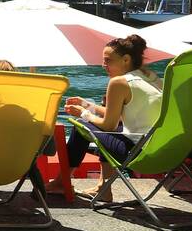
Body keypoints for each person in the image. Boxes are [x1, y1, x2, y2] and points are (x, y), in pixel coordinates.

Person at [63, 34, 163, 203]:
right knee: (111, 131)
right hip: (160, 150)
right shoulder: (151, 77)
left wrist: (83, 113)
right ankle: (103, 188)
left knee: (81, 125)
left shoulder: (119, 82)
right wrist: (89, 105)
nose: (104, 65)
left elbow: (109, 124)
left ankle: (62, 182)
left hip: (137, 153)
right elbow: (121, 117)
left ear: (126, 59)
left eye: (108, 60)